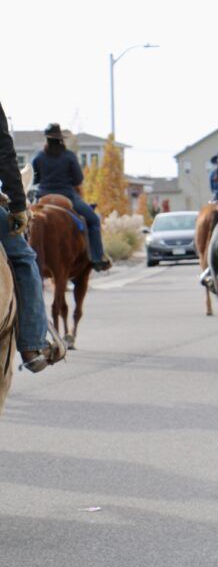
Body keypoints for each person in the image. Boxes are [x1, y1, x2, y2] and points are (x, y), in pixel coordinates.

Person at [0, 104, 65, 372]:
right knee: (24, 258)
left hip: (43, 191)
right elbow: (5, 154)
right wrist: (17, 205)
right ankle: (32, 345)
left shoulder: (39, 157)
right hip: (63, 193)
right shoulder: (69, 158)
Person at [31, 123, 110, 271]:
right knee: (93, 220)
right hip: (67, 196)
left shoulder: (38, 157)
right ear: (61, 139)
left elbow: (34, 180)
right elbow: (78, 179)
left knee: (25, 221)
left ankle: (20, 258)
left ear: (47, 140)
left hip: (43, 197)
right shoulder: (69, 156)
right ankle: (97, 258)